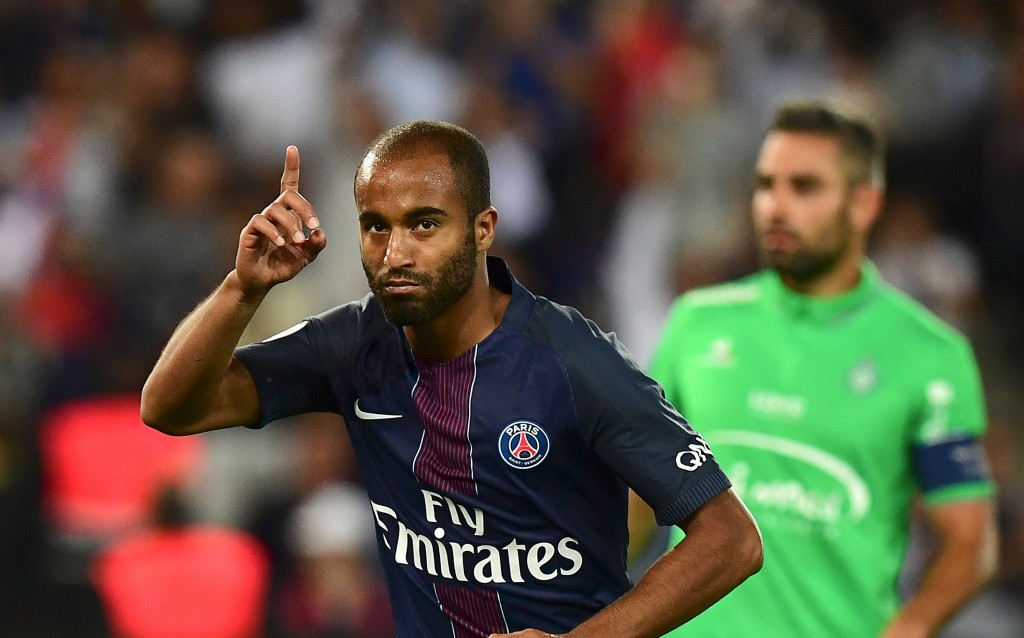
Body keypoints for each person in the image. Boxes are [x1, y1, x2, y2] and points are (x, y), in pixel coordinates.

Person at [140, 120, 763, 637]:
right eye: (376, 225)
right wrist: (242, 288)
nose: (395, 253)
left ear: (483, 229)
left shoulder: (575, 360)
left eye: (424, 224)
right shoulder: (352, 345)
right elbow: (170, 408)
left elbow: (732, 539)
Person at [644, 100, 998, 637]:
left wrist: (908, 629)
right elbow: (631, 505)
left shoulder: (930, 355)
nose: (775, 206)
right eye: (766, 185)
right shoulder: (696, 324)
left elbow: (969, 544)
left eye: (804, 187)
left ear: (864, 204)